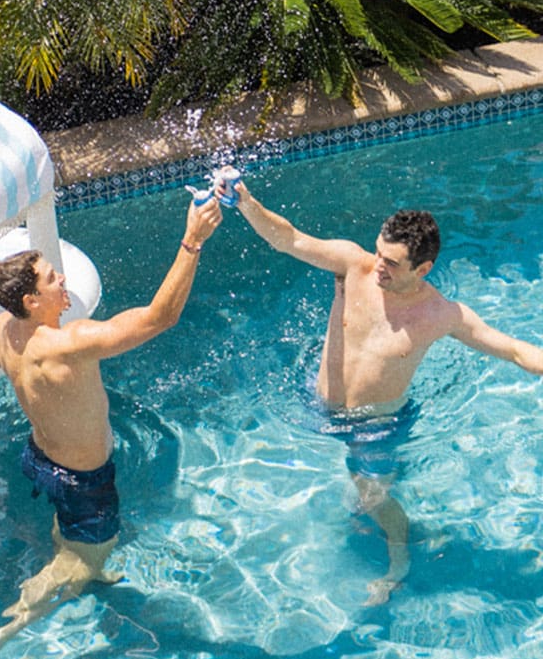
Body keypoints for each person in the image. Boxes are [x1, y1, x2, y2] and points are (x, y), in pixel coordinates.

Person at [232, 185, 543, 600]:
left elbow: (515, 350)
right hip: (317, 405)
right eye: (379, 252)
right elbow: (286, 238)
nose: (378, 266)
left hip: (378, 425)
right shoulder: (352, 267)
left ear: (423, 269)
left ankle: (399, 563)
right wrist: (245, 203)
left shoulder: (441, 315)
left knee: (372, 499)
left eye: (392, 263)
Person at [0, 194, 222, 659]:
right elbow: (159, 318)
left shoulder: (5, 328)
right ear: (31, 301)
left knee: (75, 541)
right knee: (75, 567)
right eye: (50, 278)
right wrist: (193, 241)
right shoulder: (69, 343)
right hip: (84, 482)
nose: (62, 278)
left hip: (40, 459)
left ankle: (81, 554)